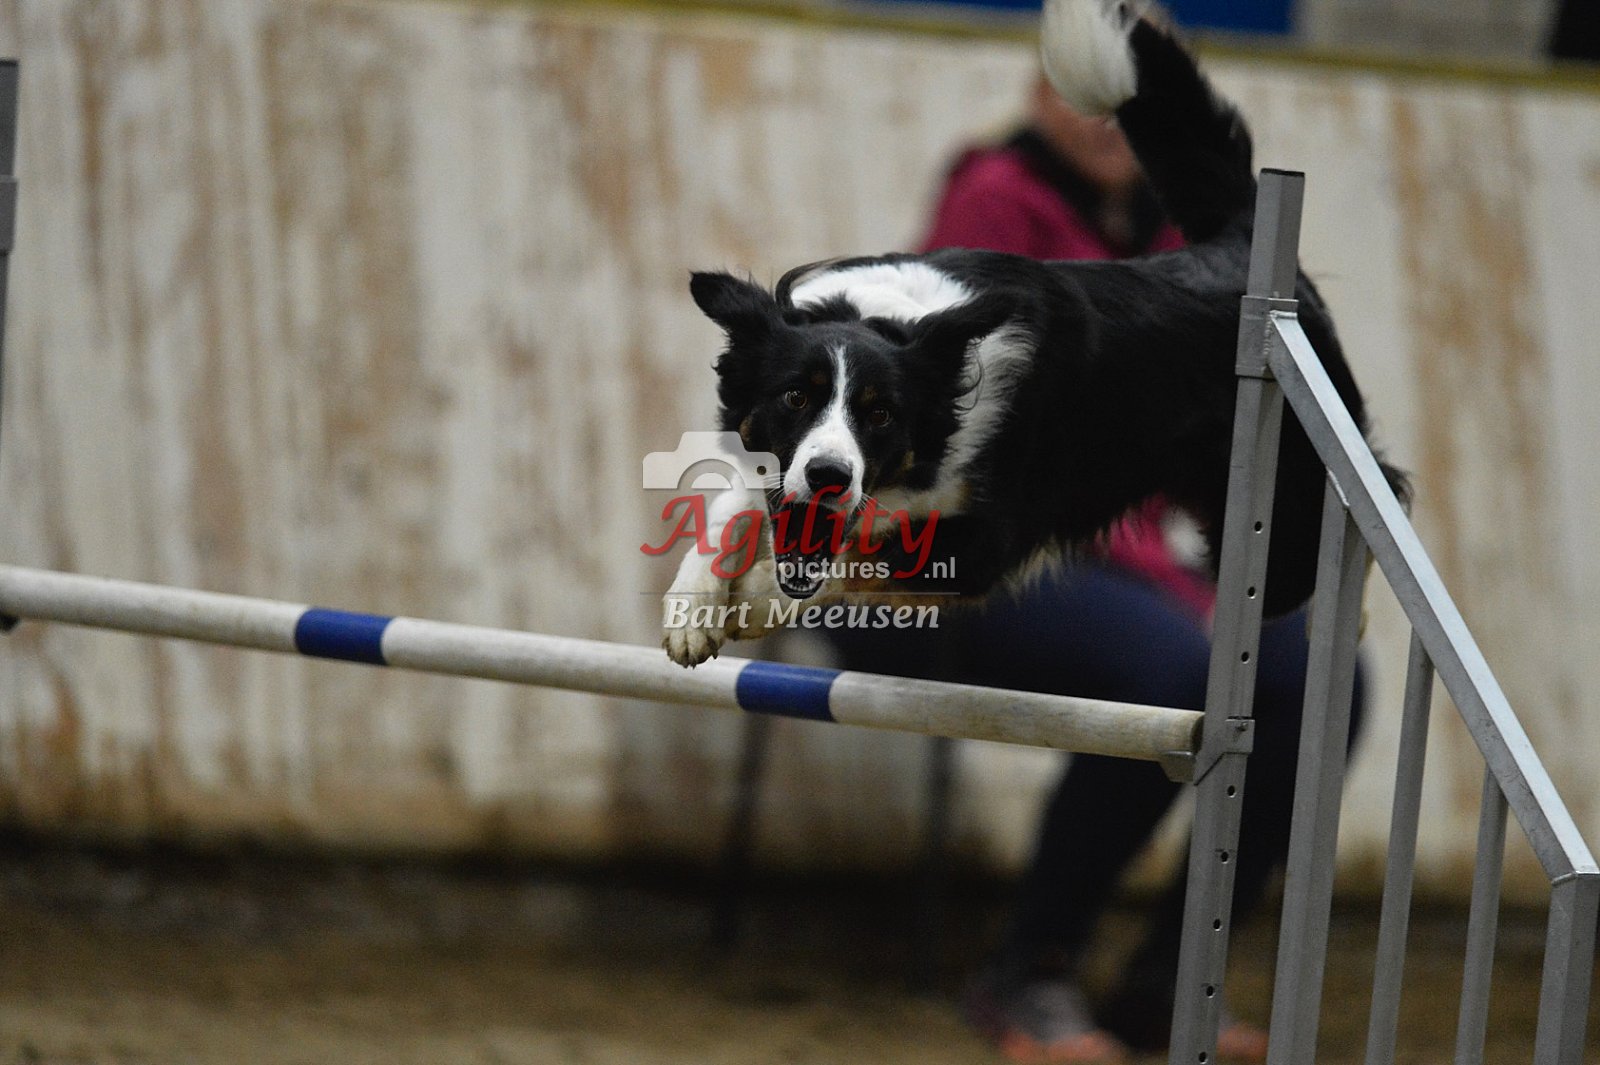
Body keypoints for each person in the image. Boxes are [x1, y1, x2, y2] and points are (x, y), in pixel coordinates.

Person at [821, 78, 1366, 1064]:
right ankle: (1028, 972)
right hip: (932, 559)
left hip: (1127, 559)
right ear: (1040, 94)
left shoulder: (1185, 235)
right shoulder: (993, 199)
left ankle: (1170, 983)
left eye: (1126, 99)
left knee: (1316, 675)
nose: (1105, 118)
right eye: (1083, 95)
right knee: (1167, 667)